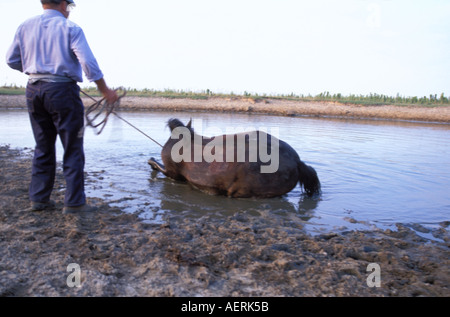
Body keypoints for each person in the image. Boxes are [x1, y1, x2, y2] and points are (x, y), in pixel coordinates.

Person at [6, 0, 119, 214]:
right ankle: (74, 203)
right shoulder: (71, 28)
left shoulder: (24, 26)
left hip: (34, 90)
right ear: (64, 5)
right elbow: (88, 63)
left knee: (43, 146)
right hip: (62, 93)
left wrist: (37, 69)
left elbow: (12, 60)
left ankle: (39, 199)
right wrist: (105, 91)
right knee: (72, 147)